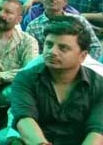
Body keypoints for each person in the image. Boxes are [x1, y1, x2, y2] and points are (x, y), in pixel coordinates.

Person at [9, 17, 103, 145]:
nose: (52, 52)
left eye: (63, 48)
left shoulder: (99, 86)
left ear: (82, 56)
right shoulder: (26, 78)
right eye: (49, 44)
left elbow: (97, 131)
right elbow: (24, 118)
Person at [25, 0, 102, 59]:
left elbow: (95, 47)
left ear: (65, 1)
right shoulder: (33, 26)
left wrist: (82, 65)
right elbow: (32, 54)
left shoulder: (79, 20)